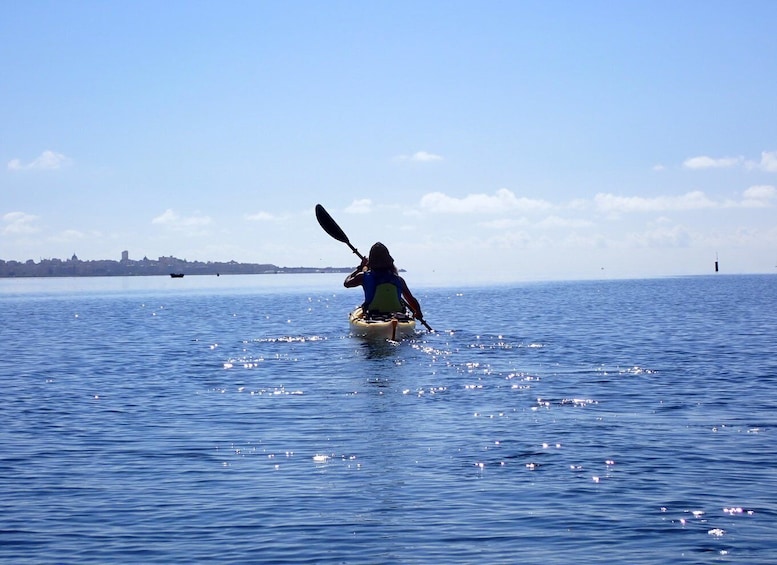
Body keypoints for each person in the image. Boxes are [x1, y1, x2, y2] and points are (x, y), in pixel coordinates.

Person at [344, 242, 423, 320]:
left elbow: (346, 283)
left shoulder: (363, 277)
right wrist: (418, 312)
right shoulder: (399, 280)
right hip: (398, 315)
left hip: (373, 315)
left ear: (371, 261)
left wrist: (359, 268)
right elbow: (411, 299)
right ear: (389, 260)